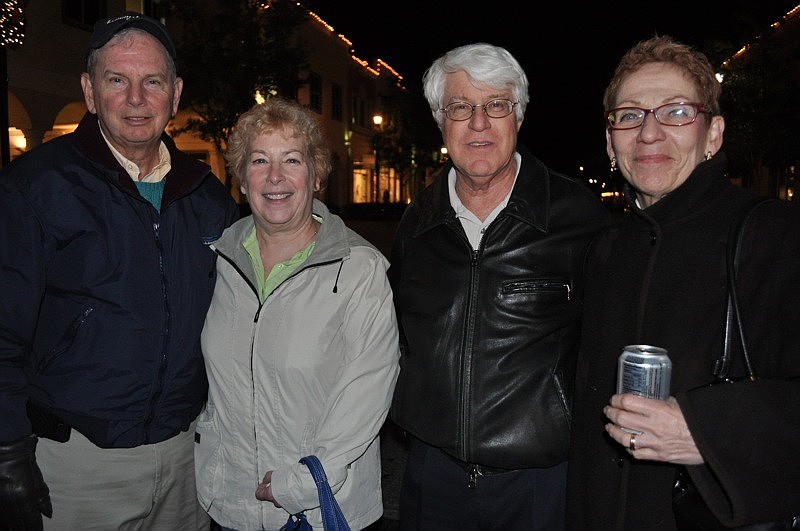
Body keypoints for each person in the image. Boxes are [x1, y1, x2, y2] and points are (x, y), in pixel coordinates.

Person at [0, 11, 239, 530]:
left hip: (186, 462)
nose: (136, 98)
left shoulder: (208, 197)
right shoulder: (37, 185)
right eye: (117, 80)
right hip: (76, 466)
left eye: (151, 81)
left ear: (175, 94)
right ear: (89, 91)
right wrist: (6, 448)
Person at [566, 35, 800, 529]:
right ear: (611, 142)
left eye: (675, 112)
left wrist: (709, 432)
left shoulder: (773, 234)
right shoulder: (603, 249)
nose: (649, 134)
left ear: (712, 135)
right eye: (629, 115)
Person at [387, 42, 611, 530]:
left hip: (541, 484)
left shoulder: (578, 219)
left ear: (520, 115)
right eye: (461, 107)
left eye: (496, 106)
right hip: (431, 475)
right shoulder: (416, 224)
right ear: (438, 118)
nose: (479, 123)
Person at [194, 96, 400, 531]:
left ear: (316, 174)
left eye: (292, 159)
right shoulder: (220, 259)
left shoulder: (358, 268)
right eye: (259, 160)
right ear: (242, 179)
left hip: (321, 507)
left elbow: (368, 389)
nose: (275, 177)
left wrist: (304, 481)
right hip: (231, 501)